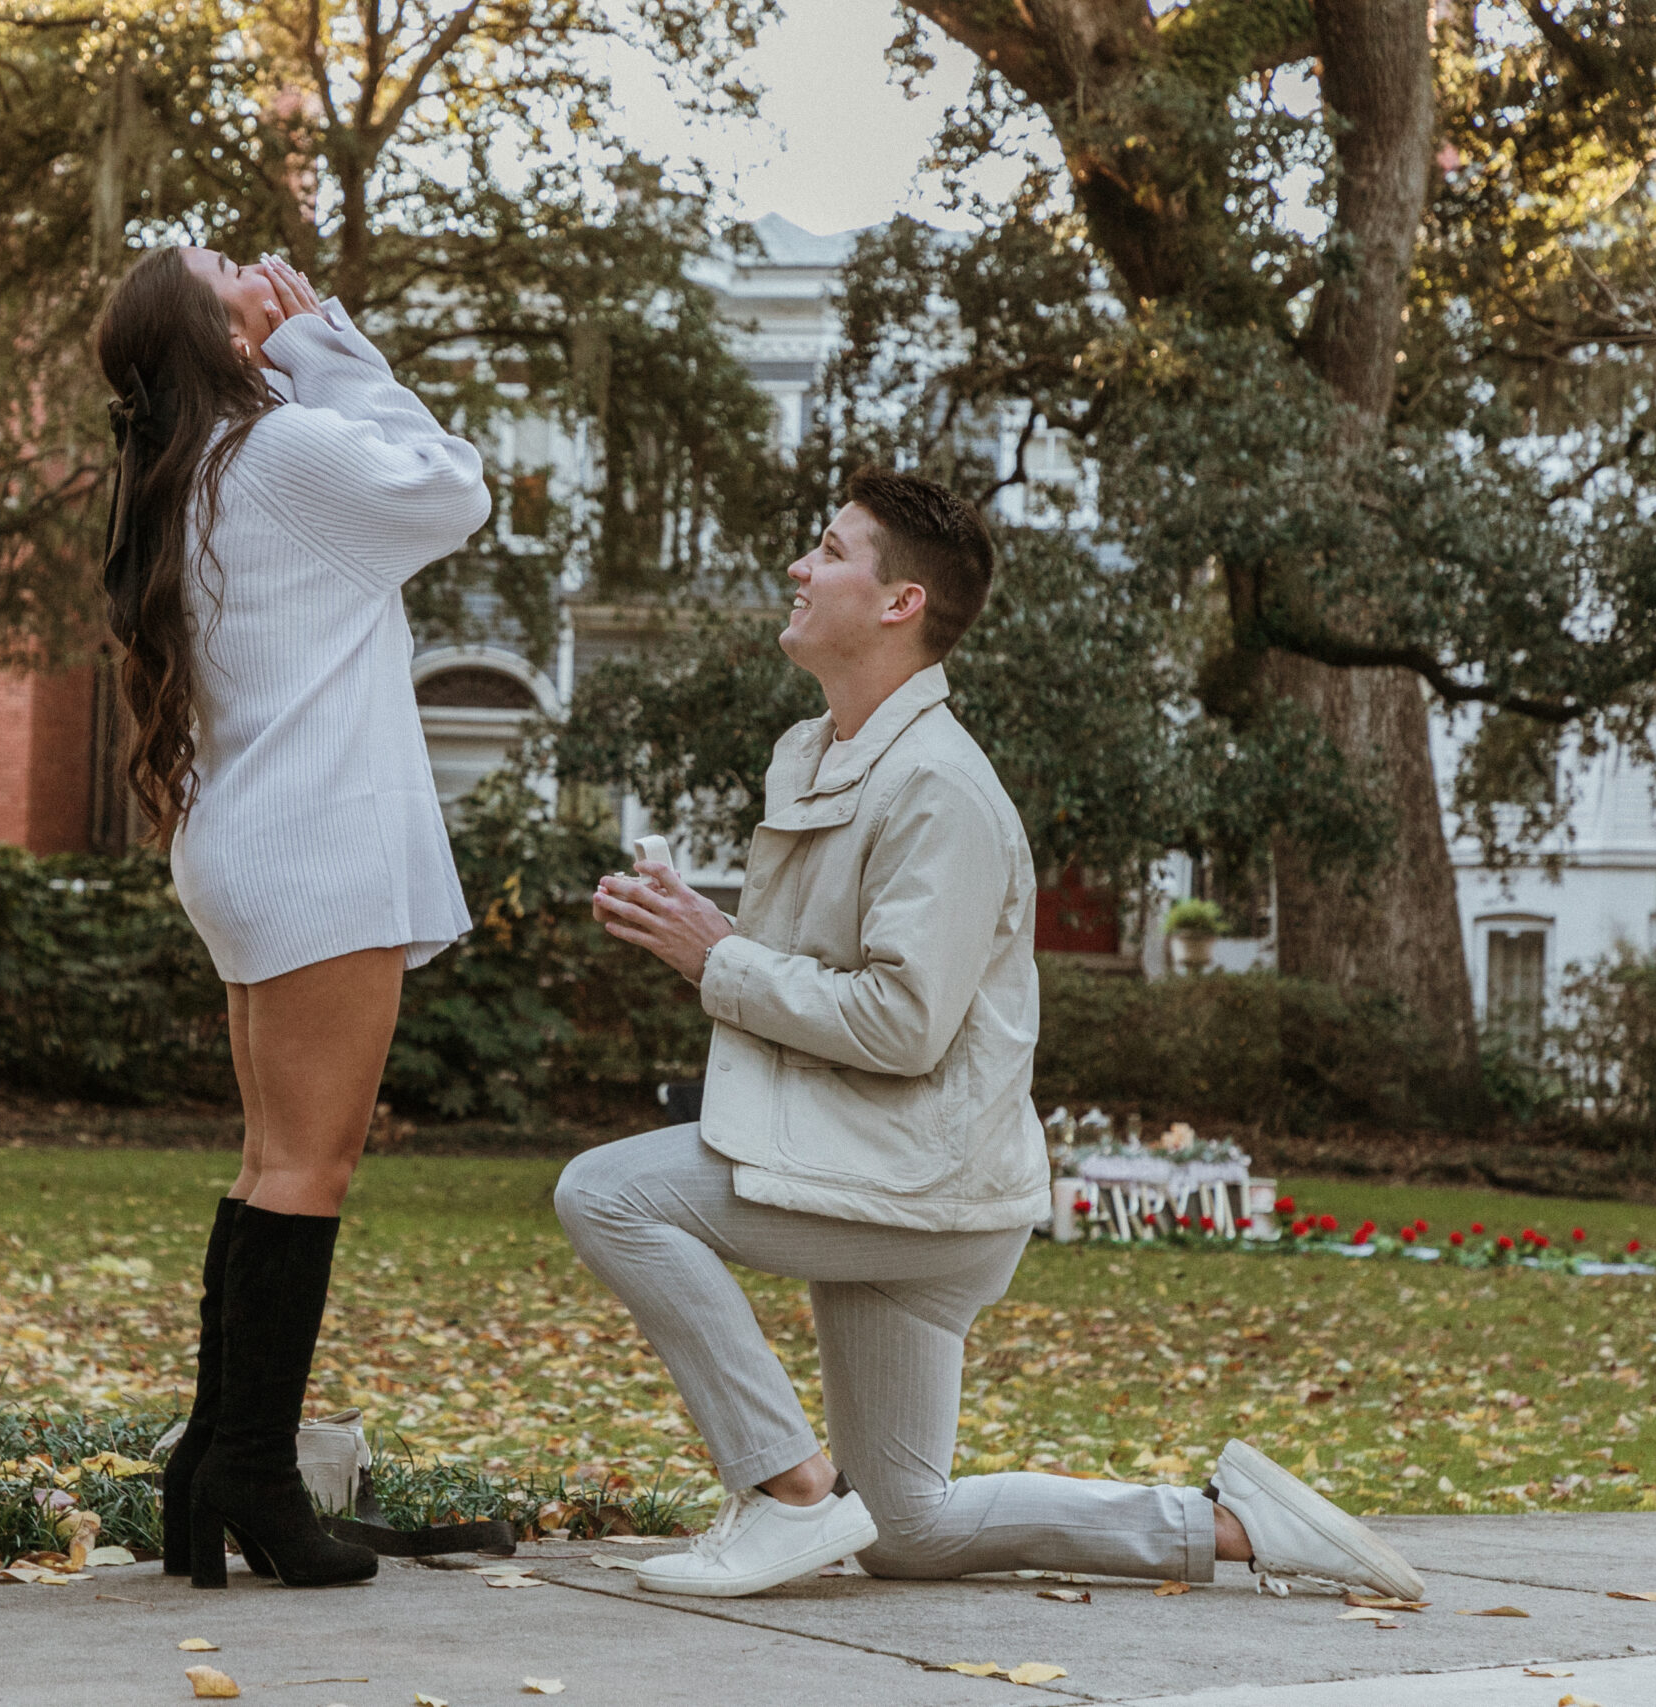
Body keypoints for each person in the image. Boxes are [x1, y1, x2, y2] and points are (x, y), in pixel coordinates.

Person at [555, 469, 1425, 1603]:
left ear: (898, 603)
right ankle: (1232, 1529)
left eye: (827, 549)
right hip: (884, 1170)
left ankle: (785, 1495)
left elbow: (900, 1025)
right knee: (908, 1529)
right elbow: (822, 980)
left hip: (916, 1183)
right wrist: (713, 933)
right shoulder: (815, 752)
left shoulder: (938, 789)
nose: (798, 568)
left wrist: (711, 959)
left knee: (607, 1193)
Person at [93, 246, 490, 1589]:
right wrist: (325, 338)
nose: (268, 274)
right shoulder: (278, 449)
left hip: (256, 847)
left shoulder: (193, 472)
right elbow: (453, 490)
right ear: (220, 332)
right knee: (306, 1173)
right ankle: (255, 1476)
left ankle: (213, 1463)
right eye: (235, 273)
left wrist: (300, 349)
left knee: (271, 1164)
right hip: (318, 851)